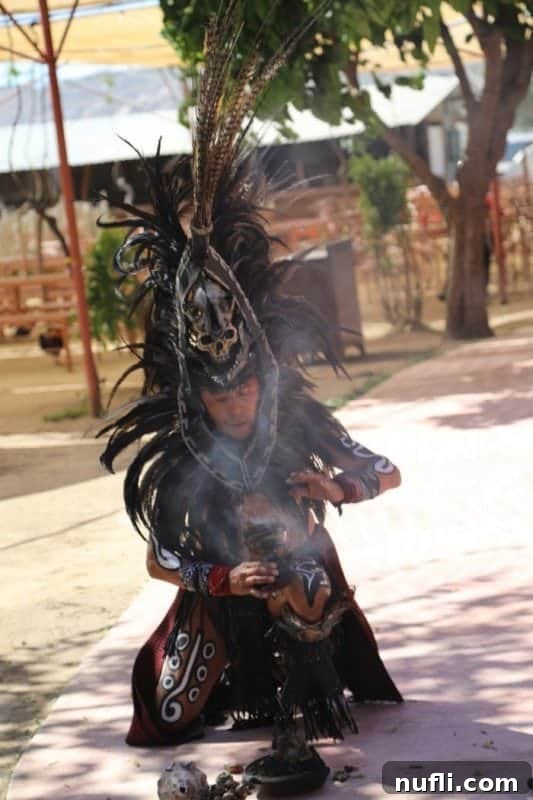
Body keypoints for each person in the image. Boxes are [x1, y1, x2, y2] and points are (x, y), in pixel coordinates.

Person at [98, 5, 402, 780]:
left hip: (306, 578)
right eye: (220, 398)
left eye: (245, 391)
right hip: (223, 594)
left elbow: (385, 469)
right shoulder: (181, 457)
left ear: (264, 376)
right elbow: (160, 558)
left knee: (307, 586)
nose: (235, 407)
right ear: (193, 396)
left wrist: (339, 486)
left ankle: (312, 697)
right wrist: (222, 577)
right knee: (165, 711)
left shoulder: (295, 420)